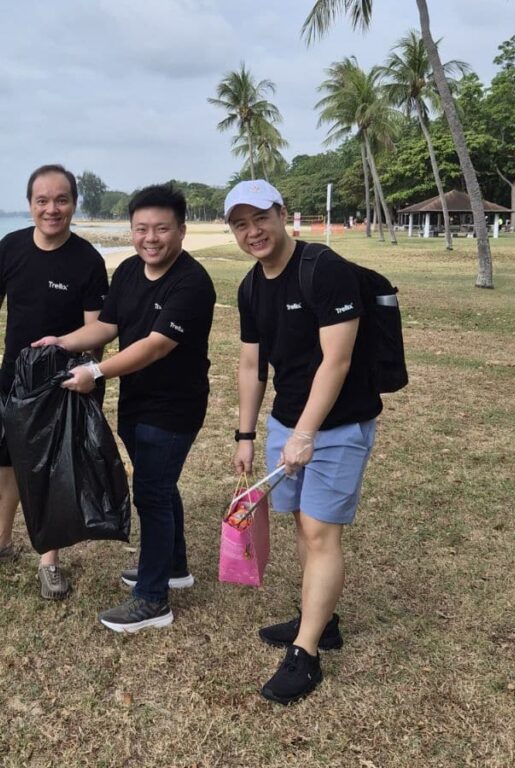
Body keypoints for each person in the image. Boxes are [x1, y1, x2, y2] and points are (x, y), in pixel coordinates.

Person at [33, 184, 216, 632]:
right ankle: (174, 567)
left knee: (152, 494)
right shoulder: (132, 270)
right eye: (141, 229)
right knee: (161, 486)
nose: (150, 238)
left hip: (173, 407)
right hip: (136, 401)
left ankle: (153, 599)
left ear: (182, 231)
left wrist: (95, 373)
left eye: (161, 229)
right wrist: (62, 341)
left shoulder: (192, 283)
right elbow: (109, 327)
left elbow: (155, 346)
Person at [226, 179, 381, 704]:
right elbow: (252, 366)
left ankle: (307, 652)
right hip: (284, 424)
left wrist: (307, 433)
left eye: (260, 218)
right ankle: (323, 619)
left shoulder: (325, 270)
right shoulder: (250, 286)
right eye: (240, 224)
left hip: (337, 424)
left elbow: (335, 360)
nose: (253, 232)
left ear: (282, 214)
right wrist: (247, 434)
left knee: (320, 533)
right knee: (301, 525)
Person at [0, 164, 109, 600]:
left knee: (50, 469)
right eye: (42, 200)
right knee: (7, 462)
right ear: (30, 204)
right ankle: (0, 540)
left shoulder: (88, 261)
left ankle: (49, 560)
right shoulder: (12, 247)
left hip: (61, 383)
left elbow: (97, 329)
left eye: (61, 200)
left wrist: (88, 374)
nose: (52, 209)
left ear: (75, 204)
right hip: (13, 377)